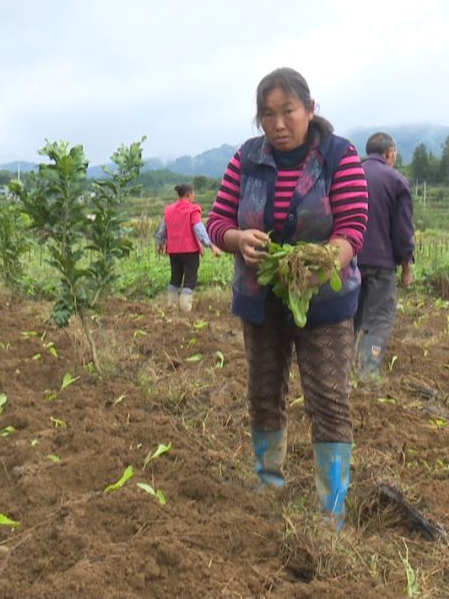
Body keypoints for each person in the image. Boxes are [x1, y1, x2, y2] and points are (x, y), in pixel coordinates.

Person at [206, 67, 369, 529]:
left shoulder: (339, 155)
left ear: (310, 110)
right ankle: (268, 485)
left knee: (329, 400)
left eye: (288, 112)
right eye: (268, 115)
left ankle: (331, 508)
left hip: (324, 304)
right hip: (262, 300)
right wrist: (238, 239)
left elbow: (354, 225)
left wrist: (324, 260)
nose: (278, 124)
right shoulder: (247, 158)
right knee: (263, 393)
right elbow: (218, 221)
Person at [354, 132, 414, 383]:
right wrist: (407, 266)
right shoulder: (396, 181)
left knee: (350, 316)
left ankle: (341, 372)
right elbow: (402, 230)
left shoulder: (350, 175)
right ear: (389, 153)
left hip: (349, 260)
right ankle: (367, 374)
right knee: (380, 318)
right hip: (381, 264)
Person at [155, 183, 222, 311]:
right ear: (189, 194)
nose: (194, 196)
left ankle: (171, 305)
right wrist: (211, 245)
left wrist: (160, 243)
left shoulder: (169, 209)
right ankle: (185, 307)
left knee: (175, 277)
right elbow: (199, 228)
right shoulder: (193, 209)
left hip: (173, 251)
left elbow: (163, 229)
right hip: (190, 251)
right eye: (193, 193)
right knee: (190, 279)